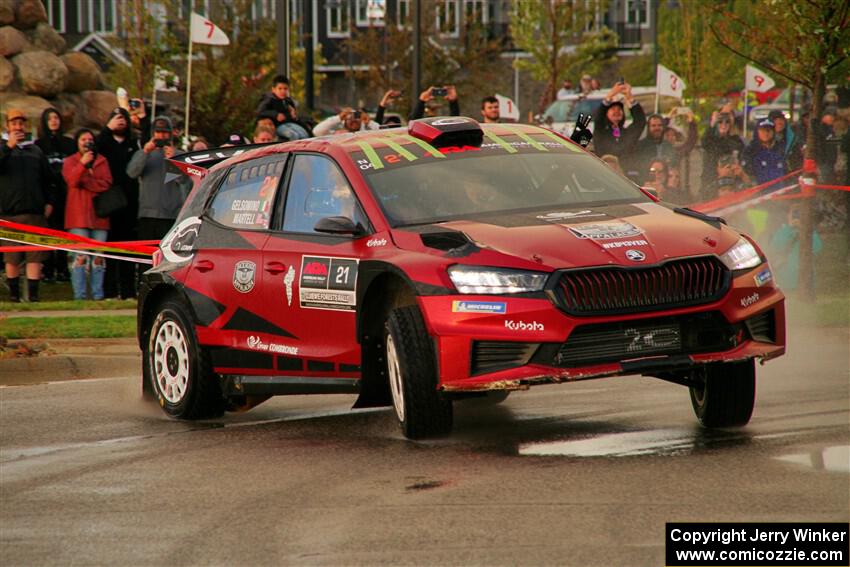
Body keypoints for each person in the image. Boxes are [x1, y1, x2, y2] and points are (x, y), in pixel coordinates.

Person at [0, 109, 55, 302]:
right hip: (9, 214)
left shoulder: (35, 150)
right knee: (12, 258)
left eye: (21, 123)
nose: (18, 127)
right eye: (14, 123)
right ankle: (14, 296)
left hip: (35, 213)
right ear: (7, 126)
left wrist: (49, 201)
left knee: (35, 256)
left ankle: (33, 297)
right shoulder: (2, 147)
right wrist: (8, 147)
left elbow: (48, 179)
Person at [62, 129, 113, 300]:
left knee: (98, 258)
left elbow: (106, 185)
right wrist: (83, 165)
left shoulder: (102, 161)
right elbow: (72, 181)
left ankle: (97, 295)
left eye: (90, 139)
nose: (87, 142)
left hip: (100, 217)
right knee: (80, 257)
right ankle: (80, 296)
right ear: (77, 142)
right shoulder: (70, 161)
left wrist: (87, 182)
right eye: (83, 139)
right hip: (77, 217)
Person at [96, 106, 141, 299]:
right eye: (115, 117)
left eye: (123, 117)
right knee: (110, 249)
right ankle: (110, 291)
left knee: (129, 251)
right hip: (110, 203)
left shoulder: (134, 143)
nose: (120, 120)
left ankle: (129, 291)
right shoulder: (103, 142)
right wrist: (107, 128)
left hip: (131, 204)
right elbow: (93, 148)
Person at [127, 116, 187, 243]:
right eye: (158, 132)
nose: (161, 136)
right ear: (153, 133)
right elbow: (132, 173)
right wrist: (145, 152)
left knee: (166, 257)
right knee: (146, 258)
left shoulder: (180, 155)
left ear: (170, 134)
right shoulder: (144, 153)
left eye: (165, 132)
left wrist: (173, 160)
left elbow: (183, 181)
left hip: (171, 215)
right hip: (147, 215)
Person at [35, 107, 74, 282]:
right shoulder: (38, 145)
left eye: (56, 117)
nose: (54, 121)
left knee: (65, 233)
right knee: (49, 233)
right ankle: (48, 269)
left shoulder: (68, 143)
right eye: (50, 118)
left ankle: (63, 268)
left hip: (68, 195)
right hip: (48, 196)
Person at [592, 82, 646, 179]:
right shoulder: (601, 131)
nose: (616, 111)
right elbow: (598, 118)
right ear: (606, 113)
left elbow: (640, 121)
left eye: (619, 109)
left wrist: (630, 97)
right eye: (613, 109)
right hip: (604, 175)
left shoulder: (627, 133)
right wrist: (610, 95)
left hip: (627, 177)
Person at [769, 204, 823, 292]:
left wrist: (804, 229)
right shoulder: (782, 231)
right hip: (785, 281)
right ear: (788, 216)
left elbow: (817, 248)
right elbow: (774, 248)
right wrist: (789, 229)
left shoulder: (809, 231)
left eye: (799, 214)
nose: (796, 217)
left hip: (805, 281)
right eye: (793, 213)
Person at [700, 108, 744, 198]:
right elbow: (705, 142)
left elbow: (742, 153)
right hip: (712, 183)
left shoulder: (736, 140)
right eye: (720, 122)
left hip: (733, 184)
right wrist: (712, 125)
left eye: (727, 121)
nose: (724, 125)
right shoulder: (710, 140)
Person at [255, 74, 310, 141]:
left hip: (289, 124)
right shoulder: (269, 99)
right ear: (273, 89)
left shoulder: (288, 101)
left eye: (285, 89)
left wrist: (294, 116)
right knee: (293, 135)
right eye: (280, 88)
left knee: (303, 134)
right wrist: (275, 114)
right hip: (276, 126)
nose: (283, 91)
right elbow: (260, 112)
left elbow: (291, 117)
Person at [633, 114, 676, 184]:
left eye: (659, 125)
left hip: (667, 184)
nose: (657, 128)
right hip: (646, 183)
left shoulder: (668, 146)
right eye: (653, 126)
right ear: (649, 127)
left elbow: (674, 162)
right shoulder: (640, 146)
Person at [742, 118, 786, 184]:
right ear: (757, 132)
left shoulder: (781, 148)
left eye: (768, 130)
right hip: (759, 189)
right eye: (762, 130)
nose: (766, 133)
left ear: (773, 132)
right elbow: (747, 171)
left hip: (781, 189)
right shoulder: (750, 150)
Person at [313, 108, 380, 136]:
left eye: (356, 117)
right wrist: (338, 118)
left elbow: (382, 132)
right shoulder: (338, 135)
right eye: (350, 118)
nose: (353, 120)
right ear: (344, 122)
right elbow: (316, 131)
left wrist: (369, 123)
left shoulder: (367, 133)